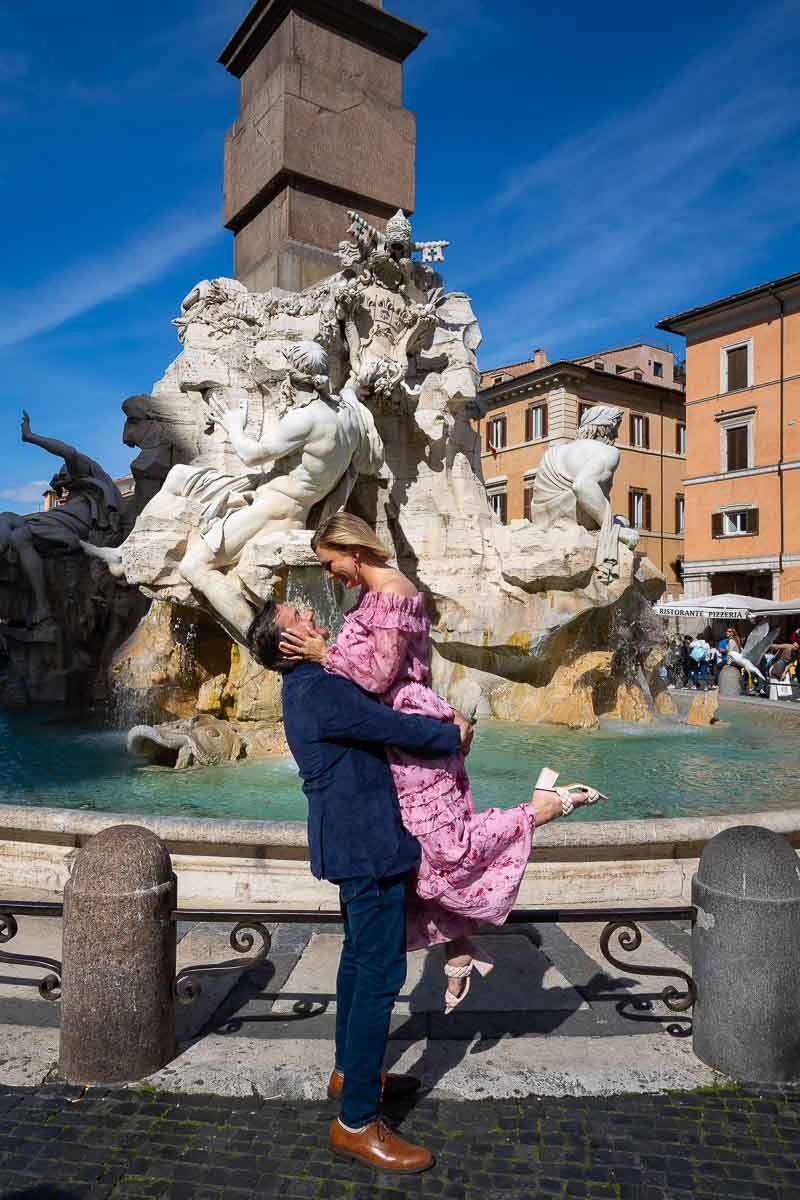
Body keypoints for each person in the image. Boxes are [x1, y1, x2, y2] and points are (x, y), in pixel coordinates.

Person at [248, 595, 602, 1170]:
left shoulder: (314, 682)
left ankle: (350, 1074)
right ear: (286, 643)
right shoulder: (318, 688)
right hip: (366, 846)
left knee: (360, 963)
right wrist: (451, 735)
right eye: (298, 618)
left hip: (357, 842)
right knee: (381, 973)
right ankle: (357, 1122)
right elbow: (386, 723)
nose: (312, 616)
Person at [276, 513, 604, 1009]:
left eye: (330, 562)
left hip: (412, 733)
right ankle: (458, 947)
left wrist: (325, 655)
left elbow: (380, 676)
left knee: (444, 845)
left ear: (355, 552)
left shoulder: (392, 593)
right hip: (400, 732)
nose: (328, 574)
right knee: (413, 850)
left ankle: (541, 808)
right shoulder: (374, 594)